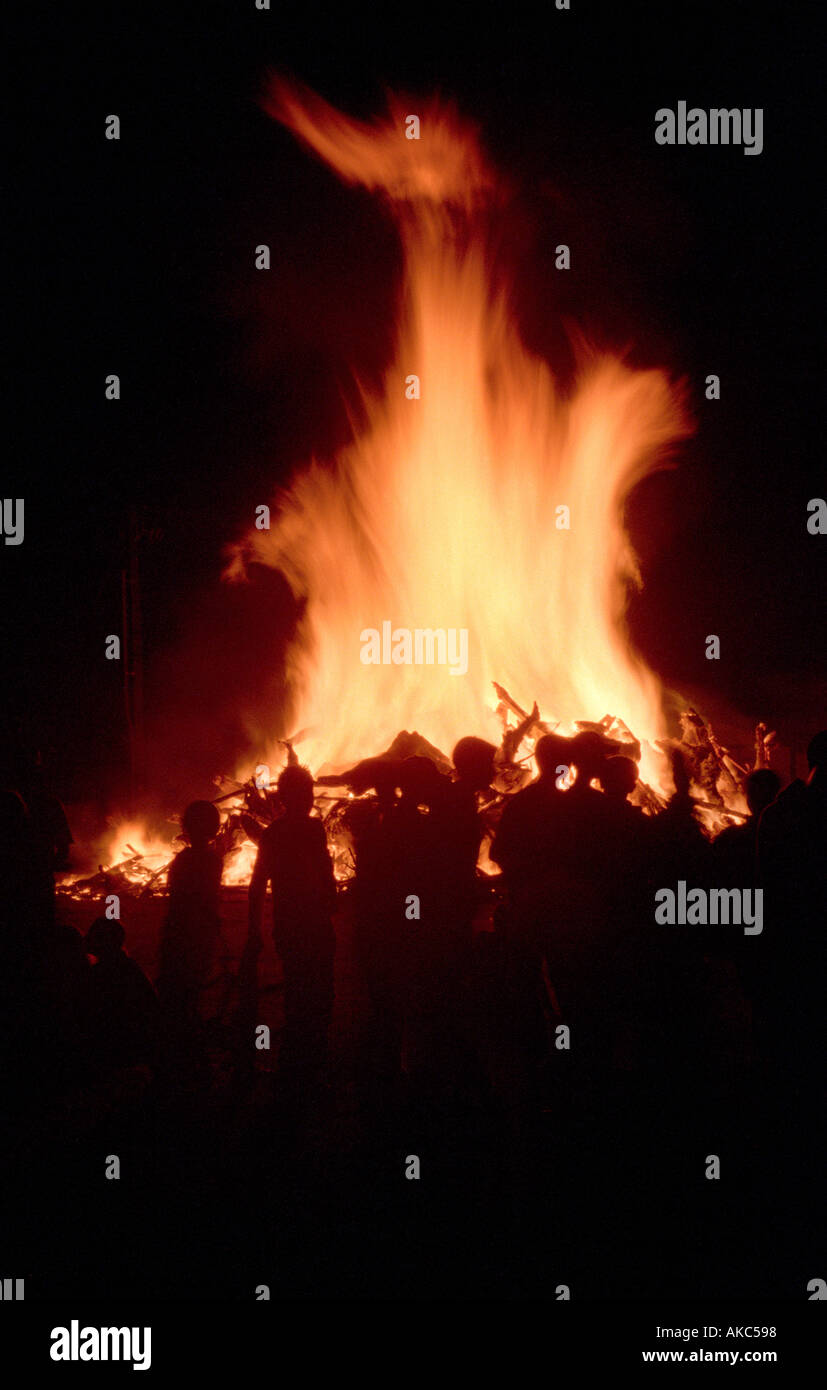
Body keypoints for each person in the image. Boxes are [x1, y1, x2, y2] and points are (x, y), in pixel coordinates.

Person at [247, 765, 337, 1095]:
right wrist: (331, 897)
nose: (310, 799)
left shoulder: (278, 834)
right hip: (305, 922)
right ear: (287, 797)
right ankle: (306, 1060)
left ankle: (305, 1056)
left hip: (299, 923)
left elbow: (258, 886)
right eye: (306, 793)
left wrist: (254, 931)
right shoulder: (303, 831)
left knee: (307, 987)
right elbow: (259, 884)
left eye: (310, 793)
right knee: (312, 988)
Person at [157, 800, 224, 1076]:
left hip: (179, 931)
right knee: (190, 991)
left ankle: (176, 1053)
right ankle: (189, 1054)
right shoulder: (213, 860)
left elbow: (177, 897)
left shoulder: (183, 860)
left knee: (176, 992)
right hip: (197, 933)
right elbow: (207, 898)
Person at [84, 917, 159, 1076]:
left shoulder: (106, 973)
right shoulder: (128, 968)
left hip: (120, 1058)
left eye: (93, 935)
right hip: (136, 1054)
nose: (87, 939)